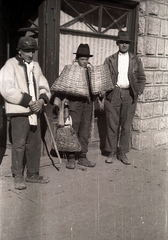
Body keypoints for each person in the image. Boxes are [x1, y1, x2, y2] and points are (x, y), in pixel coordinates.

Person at [0, 36, 51, 190]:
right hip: (19, 112)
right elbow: (6, 88)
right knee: (19, 145)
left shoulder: (36, 66)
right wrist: (28, 101)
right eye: (27, 51)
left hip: (35, 111)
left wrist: (41, 101)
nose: (30, 54)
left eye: (32, 51)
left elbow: (44, 85)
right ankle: (18, 176)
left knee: (34, 144)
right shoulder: (10, 65)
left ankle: (33, 174)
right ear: (20, 51)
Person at [103, 30, 146, 165]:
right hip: (113, 93)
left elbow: (141, 78)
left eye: (126, 43)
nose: (124, 45)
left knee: (126, 126)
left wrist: (138, 91)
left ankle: (122, 152)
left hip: (129, 94)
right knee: (112, 125)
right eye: (122, 42)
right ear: (117, 43)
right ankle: (111, 152)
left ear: (129, 44)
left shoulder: (136, 60)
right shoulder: (110, 60)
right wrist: (105, 92)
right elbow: (104, 77)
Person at [52, 44, 96, 169]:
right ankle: (71, 157)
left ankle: (82, 156)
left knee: (85, 131)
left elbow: (95, 86)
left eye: (87, 59)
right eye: (82, 59)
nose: (85, 62)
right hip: (74, 104)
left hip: (87, 104)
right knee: (72, 130)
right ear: (77, 59)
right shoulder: (70, 71)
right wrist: (57, 102)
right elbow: (62, 86)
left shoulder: (90, 72)